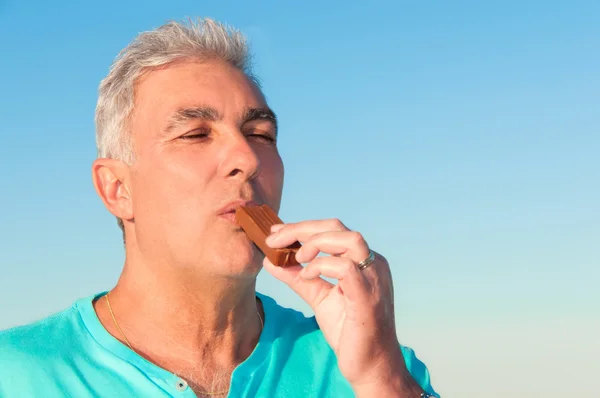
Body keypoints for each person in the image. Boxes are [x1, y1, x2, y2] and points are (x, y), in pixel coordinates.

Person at [0, 18, 440, 398]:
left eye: (261, 134)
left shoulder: (369, 364)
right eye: (195, 134)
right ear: (117, 188)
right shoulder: (15, 374)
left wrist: (383, 380)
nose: (247, 159)